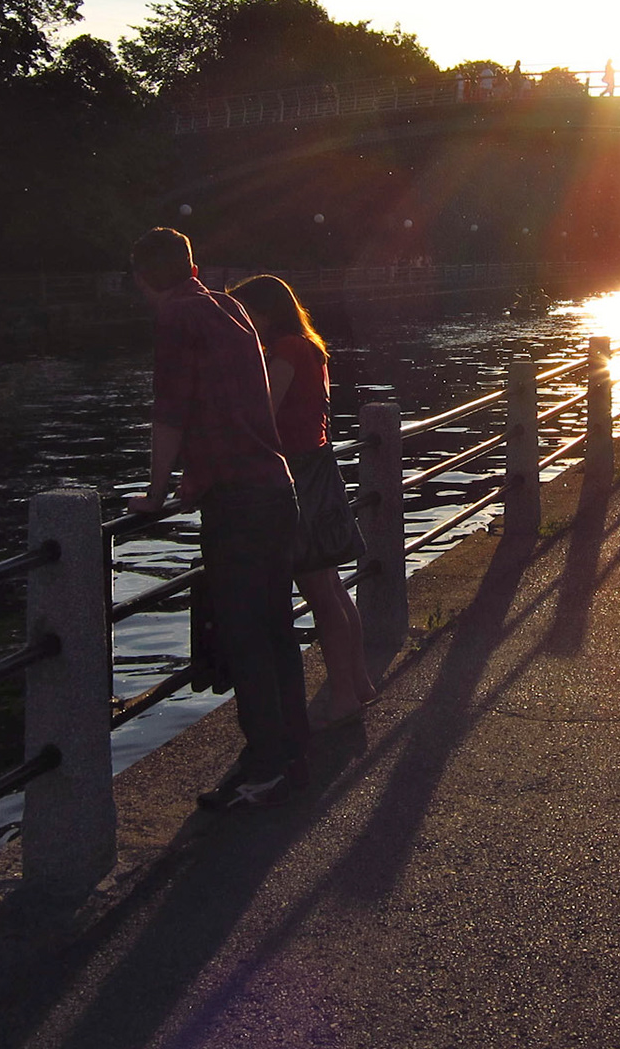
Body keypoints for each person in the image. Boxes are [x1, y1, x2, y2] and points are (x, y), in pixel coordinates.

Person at [125, 228, 307, 811]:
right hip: (275, 487)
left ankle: (266, 767)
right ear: (193, 265)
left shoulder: (177, 319)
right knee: (277, 628)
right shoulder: (229, 305)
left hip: (237, 501)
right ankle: (292, 750)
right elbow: (234, 404)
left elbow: (171, 411)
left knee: (246, 634)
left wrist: (155, 494)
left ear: (142, 277)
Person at [229, 274, 379, 726]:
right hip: (317, 467)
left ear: (265, 312)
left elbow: (262, 413)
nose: (241, 323)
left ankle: (343, 698)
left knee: (319, 592)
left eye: (245, 314)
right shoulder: (308, 345)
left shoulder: (287, 350)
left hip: (297, 475)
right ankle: (358, 682)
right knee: (331, 586)